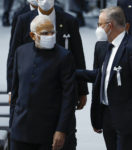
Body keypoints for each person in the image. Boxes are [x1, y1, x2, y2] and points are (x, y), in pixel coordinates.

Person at [7, 0, 88, 149]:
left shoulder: (65, 52)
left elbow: (79, 55)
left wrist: (82, 90)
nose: (50, 36)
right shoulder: (23, 25)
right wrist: (13, 124)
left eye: (52, 32)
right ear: (32, 35)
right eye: (45, 33)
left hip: (52, 109)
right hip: (23, 124)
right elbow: (13, 61)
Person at [76, 6, 132, 150]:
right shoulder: (106, 47)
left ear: (109, 26)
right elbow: (103, 75)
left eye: (99, 24)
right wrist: (73, 73)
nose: (98, 28)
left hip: (128, 120)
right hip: (108, 116)